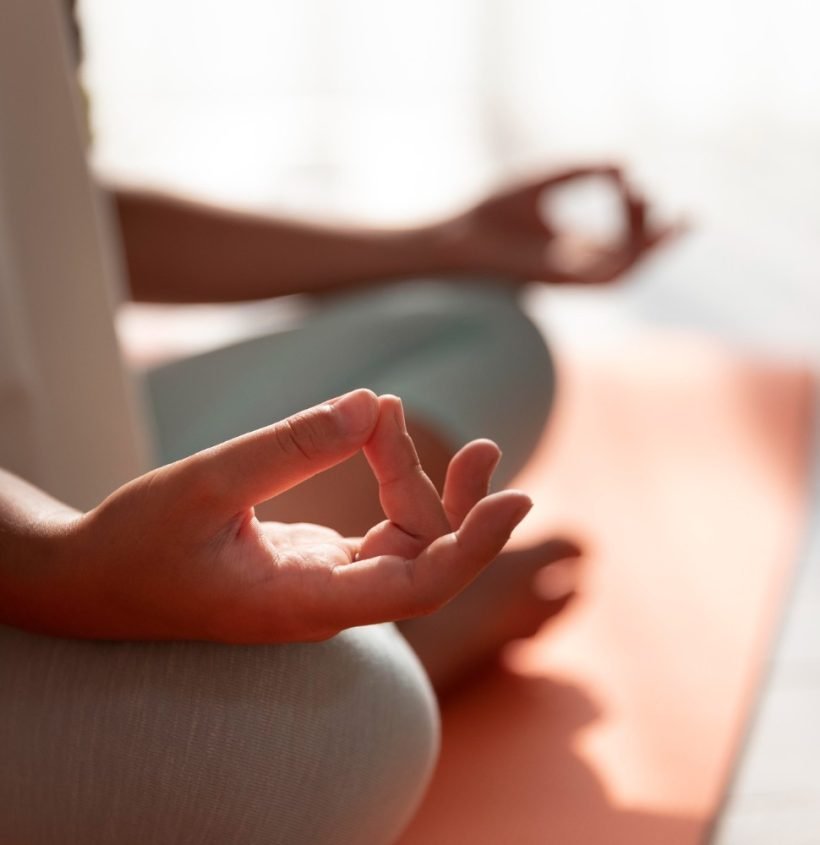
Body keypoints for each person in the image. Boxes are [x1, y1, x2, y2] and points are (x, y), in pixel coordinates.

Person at [0, 2, 677, 842]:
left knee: (482, 333)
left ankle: (226, 605)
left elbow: (53, 211)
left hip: (51, 433)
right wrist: (61, 566)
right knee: (357, 729)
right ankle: (383, 642)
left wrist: (437, 241)